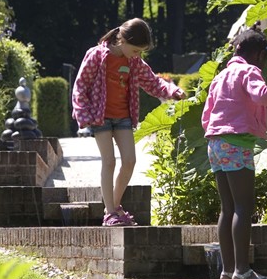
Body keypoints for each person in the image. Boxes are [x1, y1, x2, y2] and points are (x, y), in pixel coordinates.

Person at [201, 25, 267, 279]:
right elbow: (261, 95)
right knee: (243, 207)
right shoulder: (249, 71)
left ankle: (227, 271)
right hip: (236, 143)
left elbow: (207, 114)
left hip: (214, 143)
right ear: (259, 55)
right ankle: (243, 272)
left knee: (227, 208)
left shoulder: (221, 76)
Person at [72, 18, 185, 227]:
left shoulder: (133, 61)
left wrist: (173, 91)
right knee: (109, 161)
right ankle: (111, 213)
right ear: (121, 40)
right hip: (100, 117)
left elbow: (153, 82)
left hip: (123, 117)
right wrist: (83, 114)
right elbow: (80, 86)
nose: (138, 55)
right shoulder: (96, 56)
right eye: (135, 50)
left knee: (130, 161)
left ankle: (113, 208)